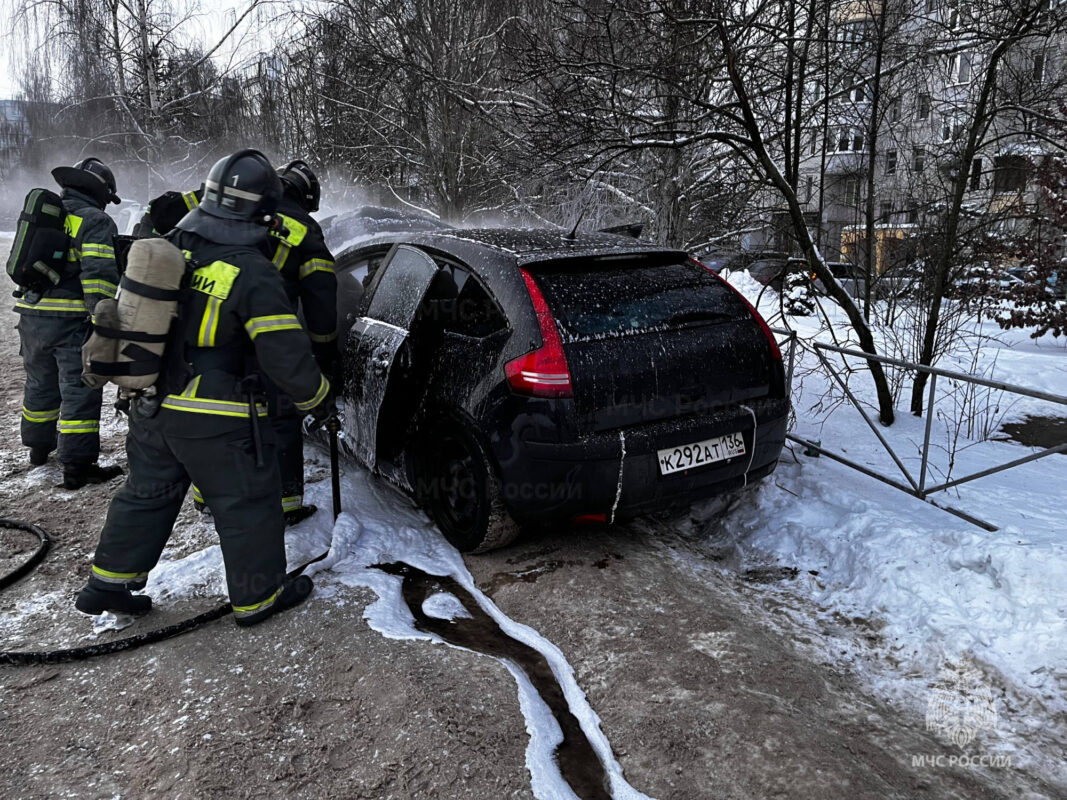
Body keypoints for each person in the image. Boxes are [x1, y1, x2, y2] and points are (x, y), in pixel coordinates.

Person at [74, 149, 334, 627]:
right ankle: (258, 599)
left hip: (150, 400)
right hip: (212, 410)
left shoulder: (172, 246)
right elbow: (284, 352)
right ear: (262, 212)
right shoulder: (251, 271)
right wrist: (318, 397)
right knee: (247, 500)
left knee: (148, 492)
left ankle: (108, 583)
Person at [15, 158, 124, 489]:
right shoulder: (94, 220)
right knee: (79, 390)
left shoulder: (50, 214)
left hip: (32, 315)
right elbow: (99, 276)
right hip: (70, 320)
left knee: (39, 383)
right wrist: (102, 322)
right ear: (100, 191)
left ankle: (38, 448)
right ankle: (78, 467)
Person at [266, 159, 338, 525]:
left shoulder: (236, 211)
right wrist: (324, 352)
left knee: (225, 419)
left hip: (212, 335)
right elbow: (321, 298)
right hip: (269, 336)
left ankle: (207, 498)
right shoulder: (303, 229)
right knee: (281, 419)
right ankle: (286, 506)